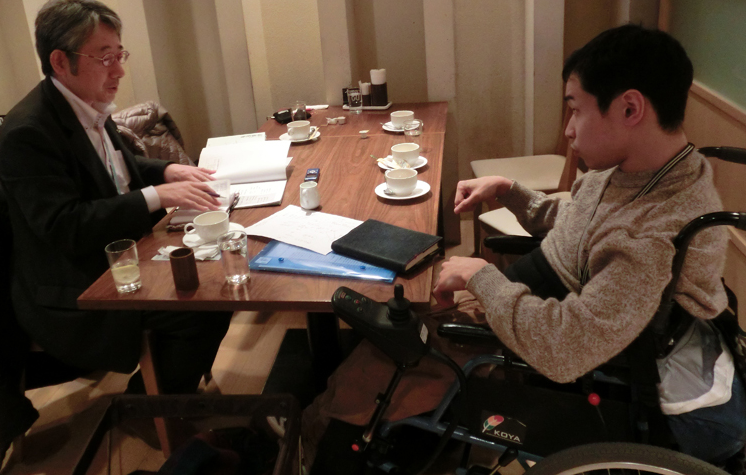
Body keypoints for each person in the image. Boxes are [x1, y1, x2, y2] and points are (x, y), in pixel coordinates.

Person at [303, 25, 745, 466]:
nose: (568, 130)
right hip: (532, 293)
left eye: (576, 110)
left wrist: (481, 277)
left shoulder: (654, 236)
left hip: (542, 326)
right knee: (392, 312)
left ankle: (317, 449)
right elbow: (581, 226)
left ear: (630, 108)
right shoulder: (645, 170)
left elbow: (566, 346)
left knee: (370, 368)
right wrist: (509, 192)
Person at [0, 0, 230, 394]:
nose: (119, 70)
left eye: (120, 54)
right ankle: (147, 409)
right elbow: (66, 225)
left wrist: (166, 170)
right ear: (60, 61)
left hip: (118, 254)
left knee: (213, 280)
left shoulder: (85, 102)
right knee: (203, 307)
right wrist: (158, 195)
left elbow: (112, 167)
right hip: (74, 289)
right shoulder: (28, 132)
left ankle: (165, 398)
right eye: (105, 58)